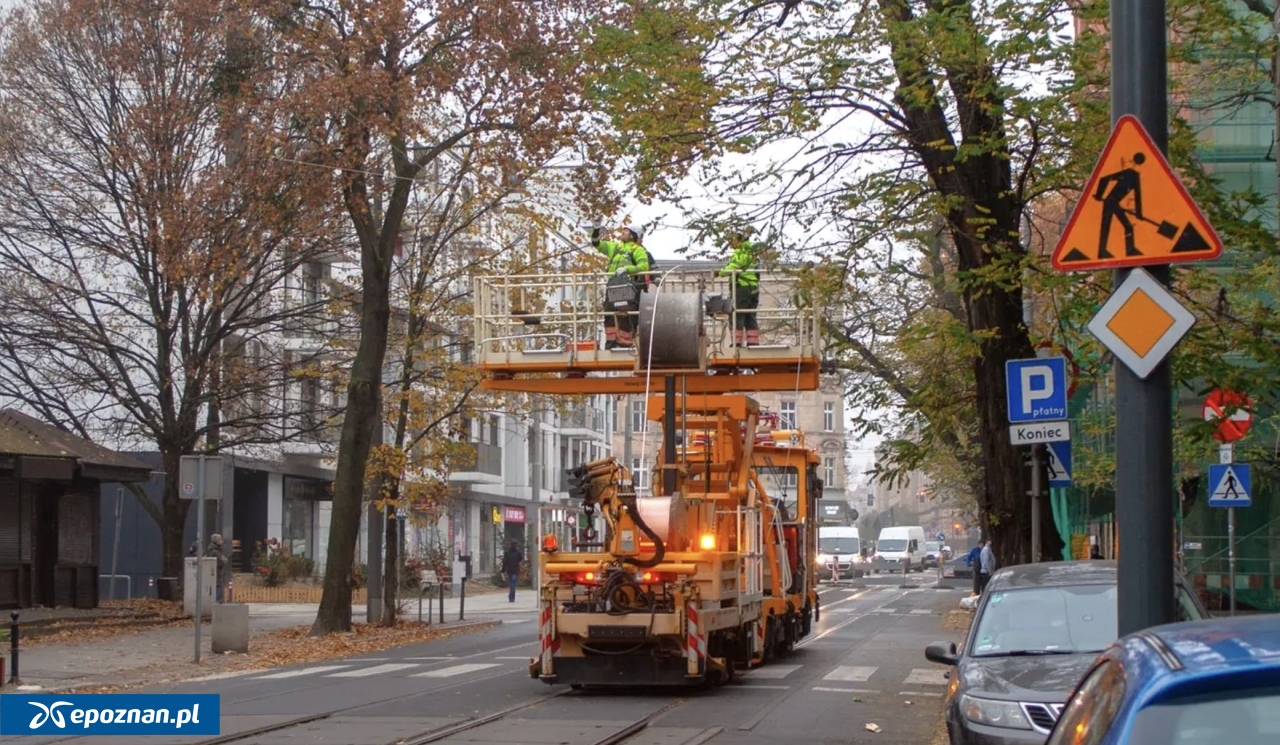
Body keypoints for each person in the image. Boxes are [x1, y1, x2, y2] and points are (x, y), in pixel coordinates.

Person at [591, 226, 651, 349]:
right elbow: (596, 243)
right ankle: (611, 342)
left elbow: (644, 266)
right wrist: (596, 229)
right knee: (609, 313)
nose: (623, 232)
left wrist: (627, 269)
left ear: (632, 235)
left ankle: (624, 343)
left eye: (626, 231)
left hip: (627, 286)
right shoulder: (615, 247)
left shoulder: (638, 250)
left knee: (624, 314)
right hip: (613, 285)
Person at [717, 232, 760, 347]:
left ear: (739, 239)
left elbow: (735, 265)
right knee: (750, 315)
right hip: (754, 288)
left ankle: (737, 343)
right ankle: (753, 342)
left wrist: (720, 272)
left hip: (742, 287)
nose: (730, 244)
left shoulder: (742, 251)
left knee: (736, 314)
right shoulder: (753, 251)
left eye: (732, 240)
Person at [206, 534, 229, 603]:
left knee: (217, 586)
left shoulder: (213, 550)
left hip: (216, 573)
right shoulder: (215, 552)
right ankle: (218, 602)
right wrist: (224, 559)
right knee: (218, 586)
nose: (222, 541)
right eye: (220, 540)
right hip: (217, 573)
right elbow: (222, 561)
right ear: (217, 541)